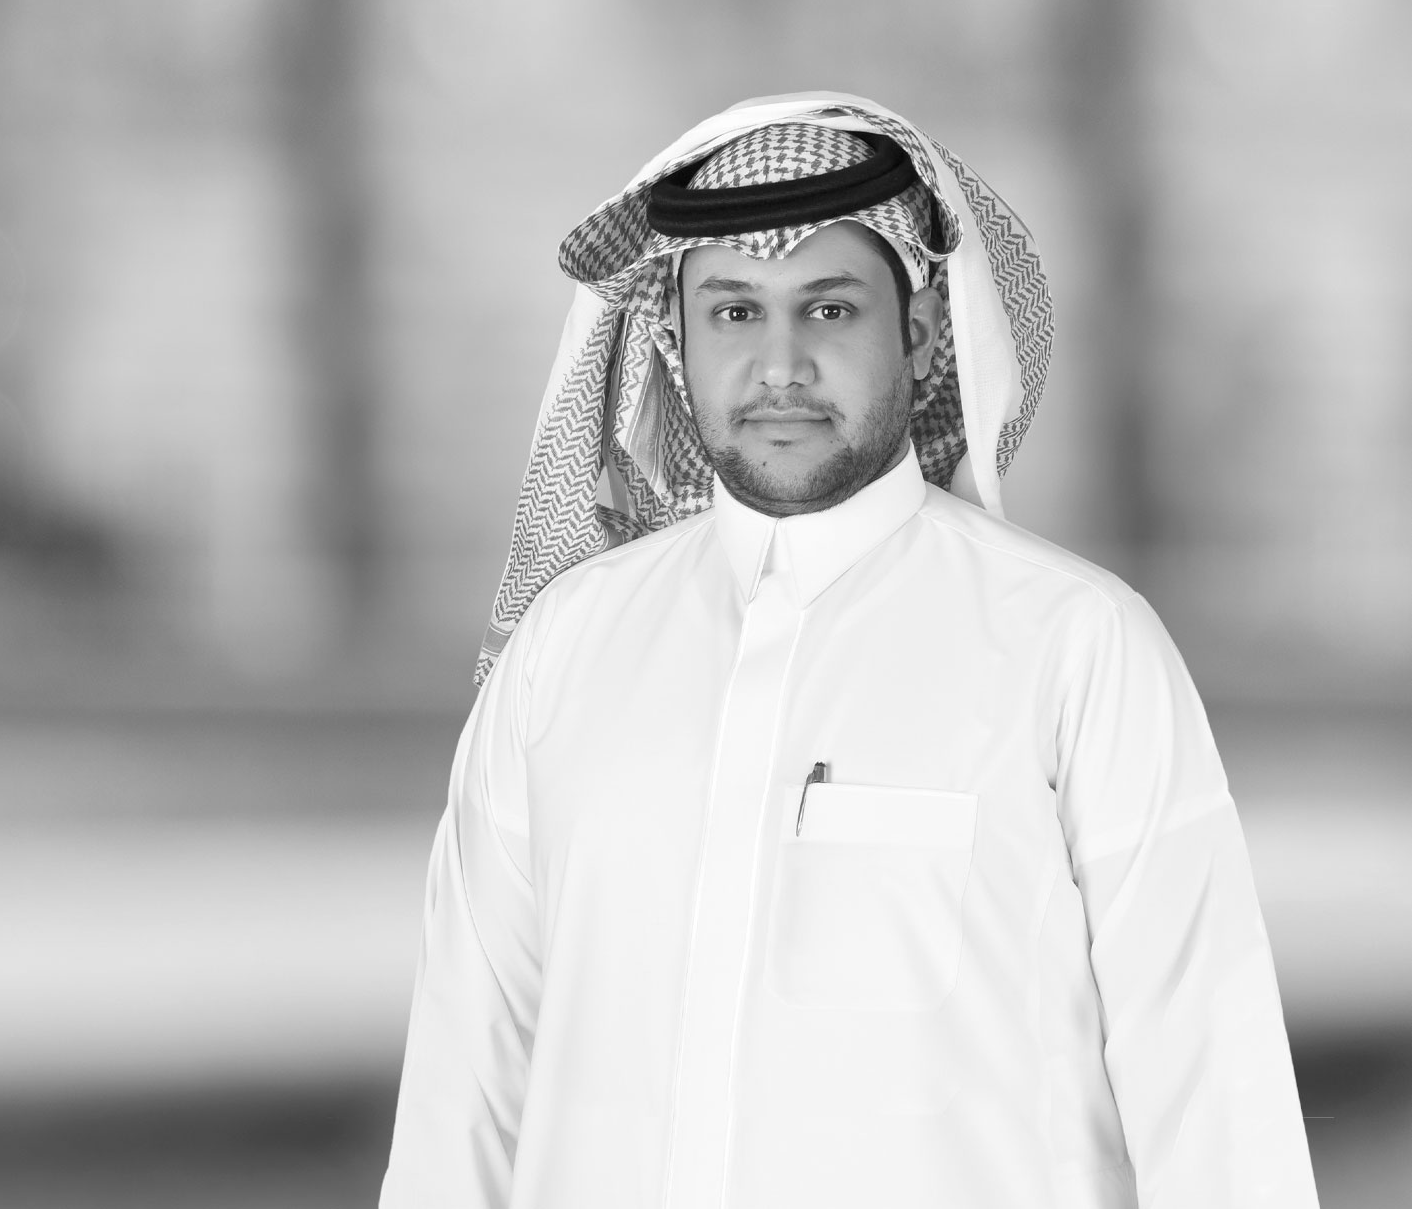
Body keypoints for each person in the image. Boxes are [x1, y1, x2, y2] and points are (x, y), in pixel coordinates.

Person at [380, 92, 1319, 1208]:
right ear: (672, 340)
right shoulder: (562, 650)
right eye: (733, 312)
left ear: (918, 336)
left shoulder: (1073, 646)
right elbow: (464, 1089)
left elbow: (1213, 1095)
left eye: (827, 309)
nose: (778, 365)